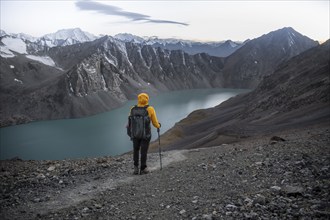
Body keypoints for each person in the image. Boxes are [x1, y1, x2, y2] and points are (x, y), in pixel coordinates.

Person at [128, 93, 161, 175]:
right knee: (143, 151)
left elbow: (130, 121)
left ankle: (135, 168)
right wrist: (158, 125)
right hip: (145, 134)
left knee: (135, 150)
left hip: (135, 134)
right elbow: (154, 122)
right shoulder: (150, 109)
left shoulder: (133, 108)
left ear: (138, 99)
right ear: (147, 99)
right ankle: (143, 168)